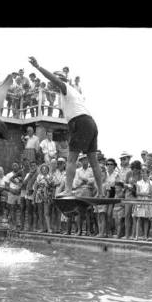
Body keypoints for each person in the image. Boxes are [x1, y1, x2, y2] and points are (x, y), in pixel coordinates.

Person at [28, 56, 104, 197]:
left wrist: (38, 67)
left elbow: (54, 79)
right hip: (91, 123)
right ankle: (100, 191)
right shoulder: (74, 93)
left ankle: (68, 189)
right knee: (93, 161)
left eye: (53, 81)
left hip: (80, 122)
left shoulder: (65, 88)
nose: (50, 84)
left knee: (71, 159)